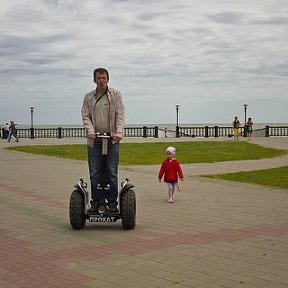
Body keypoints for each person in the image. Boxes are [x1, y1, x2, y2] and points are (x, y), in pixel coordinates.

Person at [81, 68, 125, 213]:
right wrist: (90, 131)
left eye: (104, 78)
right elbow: (85, 115)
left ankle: (112, 203)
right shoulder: (89, 97)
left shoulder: (115, 95)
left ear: (108, 79)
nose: (101, 80)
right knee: (95, 173)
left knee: (112, 172)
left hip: (112, 139)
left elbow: (120, 114)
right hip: (95, 139)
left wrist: (119, 132)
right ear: (94, 80)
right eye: (99, 78)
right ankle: (95, 202)